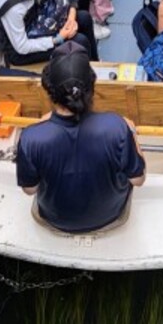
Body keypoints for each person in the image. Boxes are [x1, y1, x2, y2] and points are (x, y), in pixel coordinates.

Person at [16, 42, 146, 234]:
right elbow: (138, 180)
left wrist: (43, 125)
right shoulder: (116, 127)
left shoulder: (31, 138)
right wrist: (131, 132)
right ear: (92, 86)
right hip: (111, 216)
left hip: (55, 219)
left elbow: (30, 190)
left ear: (49, 90)